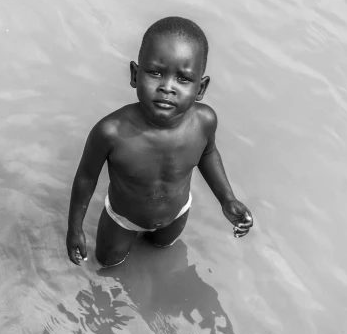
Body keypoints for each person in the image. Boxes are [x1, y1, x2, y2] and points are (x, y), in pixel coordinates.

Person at [66, 16, 253, 267]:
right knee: (107, 262)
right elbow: (86, 179)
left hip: (177, 213)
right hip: (123, 219)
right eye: (155, 73)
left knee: (162, 249)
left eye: (183, 79)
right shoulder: (110, 132)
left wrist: (227, 199)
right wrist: (74, 229)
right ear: (134, 74)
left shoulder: (204, 121)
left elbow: (208, 155)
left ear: (201, 88)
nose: (167, 87)